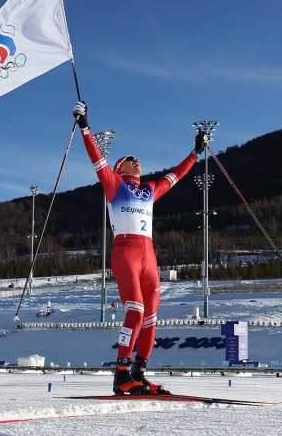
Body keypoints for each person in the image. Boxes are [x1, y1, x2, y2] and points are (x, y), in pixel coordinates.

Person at [72, 101, 205, 395]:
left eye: (138, 159)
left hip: (149, 256)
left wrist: (196, 152)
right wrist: (84, 126)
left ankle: (139, 373)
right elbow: (97, 160)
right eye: (131, 159)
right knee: (135, 310)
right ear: (120, 167)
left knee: (151, 317)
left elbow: (176, 176)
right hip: (126, 253)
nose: (137, 161)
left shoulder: (148, 190)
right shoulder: (114, 184)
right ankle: (120, 374)